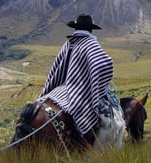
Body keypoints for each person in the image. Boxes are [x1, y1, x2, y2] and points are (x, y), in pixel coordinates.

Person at [39, 13, 114, 145]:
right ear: (90, 29)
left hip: (58, 90)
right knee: (96, 112)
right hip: (78, 92)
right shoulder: (91, 44)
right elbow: (106, 64)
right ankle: (87, 142)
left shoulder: (67, 44)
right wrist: (92, 82)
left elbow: (57, 70)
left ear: (76, 28)